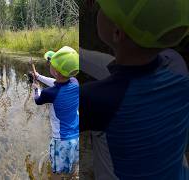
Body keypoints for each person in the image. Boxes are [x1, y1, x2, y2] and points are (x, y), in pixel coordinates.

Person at [81, 0, 189, 179]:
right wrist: (77, 55)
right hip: (177, 174)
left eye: (103, 8)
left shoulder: (96, 99)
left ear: (117, 33)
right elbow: (129, 71)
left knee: (102, 139)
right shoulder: (176, 64)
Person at [32, 46, 79, 178]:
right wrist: (39, 76)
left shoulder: (49, 93)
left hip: (61, 140)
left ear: (56, 72)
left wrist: (36, 88)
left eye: (51, 63)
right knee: (71, 167)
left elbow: (38, 100)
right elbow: (56, 83)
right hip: (76, 136)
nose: (49, 64)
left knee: (56, 173)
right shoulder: (75, 83)